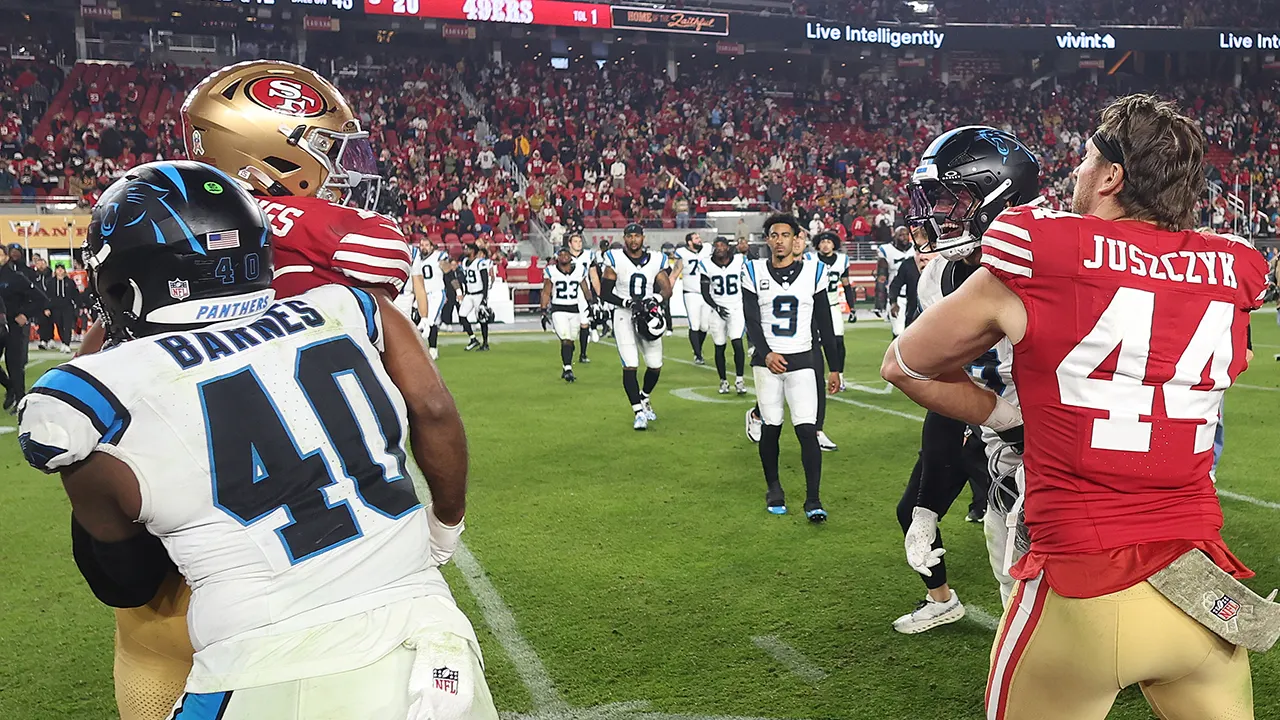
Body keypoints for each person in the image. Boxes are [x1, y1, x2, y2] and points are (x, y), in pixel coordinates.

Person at [19, 161, 497, 720]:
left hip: (265, 668)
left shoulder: (87, 394)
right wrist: (443, 525)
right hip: (434, 649)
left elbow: (125, 580)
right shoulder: (350, 307)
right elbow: (435, 408)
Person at [882, 97, 1271, 719]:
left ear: (1112, 176)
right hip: (1200, 584)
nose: (1076, 174)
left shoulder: (1040, 249)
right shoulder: (1232, 266)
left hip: (1081, 583)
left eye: (1088, 159)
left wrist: (1004, 415)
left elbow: (902, 364)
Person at [68, 59, 418, 720]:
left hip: (164, 591)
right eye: (325, 152)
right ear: (265, 161)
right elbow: (386, 266)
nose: (341, 172)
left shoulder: (146, 245)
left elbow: (117, 568)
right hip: (305, 592)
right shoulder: (331, 276)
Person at [890, 127, 1040, 633]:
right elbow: (944, 391)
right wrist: (928, 505)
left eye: (953, 199)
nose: (937, 215)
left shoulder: (1048, 266)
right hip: (1002, 445)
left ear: (999, 194)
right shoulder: (939, 278)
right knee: (1012, 585)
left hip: (1060, 444)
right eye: (935, 200)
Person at [743, 214, 843, 521]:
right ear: (768, 240)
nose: (779, 240)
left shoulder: (814, 272)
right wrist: (766, 352)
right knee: (771, 428)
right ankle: (774, 488)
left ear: (795, 238)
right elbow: (751, 320)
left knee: (807, 429)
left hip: (802, 360)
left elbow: (825, 322)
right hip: (767, 363)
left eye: (785, 235)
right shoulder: (752, 270)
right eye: (774, 235)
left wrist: (835, 366)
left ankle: (813, 499)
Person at [600, 223, 673, 431]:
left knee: (655, 364)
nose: (634, 240)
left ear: (643, 238)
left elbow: (667, 289)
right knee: (630, 364)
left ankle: (645, 397)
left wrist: (655, 299)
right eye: (630, 236)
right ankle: (638, 413)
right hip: (624, 314)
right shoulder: (616, 259)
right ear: (624, 238)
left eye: (637, 236)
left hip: (648, 313)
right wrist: (627, 303)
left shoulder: (657, 260)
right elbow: (605, 292)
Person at [0, 245, 45, 413]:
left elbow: (41, 299)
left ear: (5, 257)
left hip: (13, 326)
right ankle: (10, 386)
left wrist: (25, 315)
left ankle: (20, 400)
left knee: (15, 365)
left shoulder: (16, 277)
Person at [699, 237, 747, 395]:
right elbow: (705, 292)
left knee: (737, 343)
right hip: (717, 308)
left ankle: (739, 379)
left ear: (728, 247)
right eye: (716, 246)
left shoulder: (739, 260)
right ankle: (723, 380)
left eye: (722, 245)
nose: (719, 248)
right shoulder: (706, 264)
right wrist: (716, 307)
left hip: (736, 307)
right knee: (719, 346)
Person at [541, 245, 591, 382]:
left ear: (570, 256)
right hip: (558, 309)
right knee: (566, 340)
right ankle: (568, 369)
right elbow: (546, 291)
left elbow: (585, 288)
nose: (564, 256)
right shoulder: (551, 271)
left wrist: (591, 303)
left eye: (566, 254)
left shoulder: (579, 270)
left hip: (574, 309)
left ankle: (565, 366)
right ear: (557, 257)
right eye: (561, 254)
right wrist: (543, 310)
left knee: (571, 342)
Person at [812, 231, 850, 389]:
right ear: (817, 245)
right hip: (814, 307)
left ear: (834, 244)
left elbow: (846, 284)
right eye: (822, 242)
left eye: (828, 242)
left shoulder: (842, 260)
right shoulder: (810, 259)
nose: (825, 245)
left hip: (833, 306)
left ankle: (839, 375)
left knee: (838, 342)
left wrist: (851, 306)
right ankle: (814, 376)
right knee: (813, 343)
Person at [673, 232, 712, 364]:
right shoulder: (682, 253)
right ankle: (698, 354)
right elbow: (675, 272)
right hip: (691, 292)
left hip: (706, 292)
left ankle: (698, 349)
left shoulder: (707, 249)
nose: (699, 240)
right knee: (694, 324)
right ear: (689, 242)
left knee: (704, 326)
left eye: (699, 238)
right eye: (696, 238)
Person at [409, 237, 450, 360]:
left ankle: (433, 349)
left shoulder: (439, 256)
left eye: (426, 245)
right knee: (414, 319)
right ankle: (418, 348)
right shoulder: (416, 259)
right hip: (423, 294)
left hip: (436, 293)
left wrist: (456, 291)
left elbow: (449, 273)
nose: (423, 247)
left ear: (432, 246)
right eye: (421, 245)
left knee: (430, 322)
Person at [877, 227, 915, 337]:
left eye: (906, 234)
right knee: (899, 333)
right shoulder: (886, 250)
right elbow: (881, 278)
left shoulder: (916, 249)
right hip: (898, 296)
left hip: (915, 295)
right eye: (901, 235)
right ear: (895, 236)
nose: (904, 237)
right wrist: (881, 301)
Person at [566, 232, 596, 364]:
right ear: (569, 244)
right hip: (568, 294)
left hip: (584, 293)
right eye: (576, 241)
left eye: (580, 241)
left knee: (585, 323)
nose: (578, 244)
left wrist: (597, 295)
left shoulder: (589, 255)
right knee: (570, 325)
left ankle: (583, 353)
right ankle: (569, 349)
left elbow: (594, 276)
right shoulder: (563, 256)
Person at [40, 264, 83, 353]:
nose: (60, 271)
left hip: (67, 307)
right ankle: (63, 341)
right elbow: (47, 296)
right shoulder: (50, 282)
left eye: (61, 269)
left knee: (67, 326)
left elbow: (75, 295)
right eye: (58, 269)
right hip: (55, 307)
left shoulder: (70, 282)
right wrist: (46, 308)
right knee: (59, 325)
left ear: (64, 271)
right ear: (55, 271)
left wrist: (80, 306)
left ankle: (67, 344)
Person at [458, 243, 492, 351]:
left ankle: (485, 343)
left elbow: (485, 280)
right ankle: (473, 338)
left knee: (482, 319)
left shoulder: (480, 263)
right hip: (469, 294)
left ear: (473, 251)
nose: (465, 250)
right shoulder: (464, 262)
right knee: (462, 315)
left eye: (468, 249)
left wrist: (484, 297)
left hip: (479, 294)